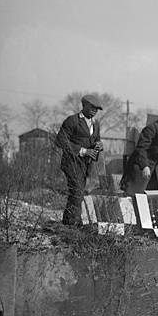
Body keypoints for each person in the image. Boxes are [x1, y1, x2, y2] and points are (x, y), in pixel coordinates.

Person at [55, 94, 104, 226]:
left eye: (97, 109)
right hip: (71, 162)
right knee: (77, 191)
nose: (95, 111)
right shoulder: (72, 121)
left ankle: (69, 222)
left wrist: (99, 145)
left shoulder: (96, 124)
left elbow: (96, 139)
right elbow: (60, 141)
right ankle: (72, 225)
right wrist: (83, 150)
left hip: (86, 164)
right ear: (84, 106)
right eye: (92, 107)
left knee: (78, 192)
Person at [120, 101, 158, 195]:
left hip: (154, 168)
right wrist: (145, 166)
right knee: (134, 197)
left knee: (151, 197)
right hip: (141, 166)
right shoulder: (152, 128)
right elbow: (141, 148)